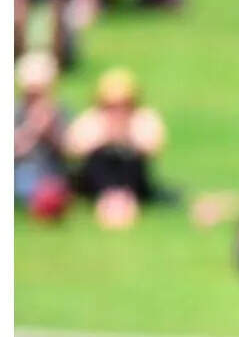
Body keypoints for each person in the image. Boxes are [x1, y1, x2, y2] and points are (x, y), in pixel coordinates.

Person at [63, 68, 168, 227]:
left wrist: (126, 136)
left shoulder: (142, 118)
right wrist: (105, 138)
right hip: (95, 179)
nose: (118, 111)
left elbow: (153, 148)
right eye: (112, 105)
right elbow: (72, 150)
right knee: (100, 158)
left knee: (130, 159)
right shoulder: (92, 119)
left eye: (123, 104)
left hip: (132, 177)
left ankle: (124, 201)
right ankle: (109, 201)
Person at [14, 51, 71, 219]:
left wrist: (50, 131)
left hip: (52, 169)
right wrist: (33, 129)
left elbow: (67, 151)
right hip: (22, 169)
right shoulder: (15, 112)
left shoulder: (59, 111)